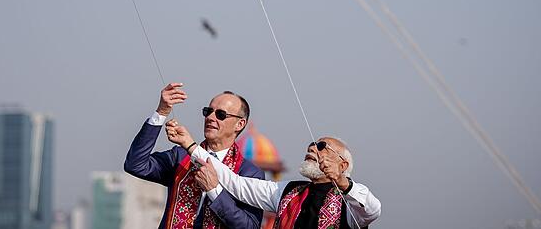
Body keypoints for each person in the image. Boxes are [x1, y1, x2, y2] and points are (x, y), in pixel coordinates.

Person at [165, 122, 381, 228]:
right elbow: (235, 183)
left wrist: (342, 181)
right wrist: (190, 145)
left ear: (343, 164)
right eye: (311, 145)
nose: (312, 149)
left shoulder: (352, 202)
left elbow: (372, 210)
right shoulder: (288, 191)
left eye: (322, 146)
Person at [124, 83, 265, 229]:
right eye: (208, 111)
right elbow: (135, 164)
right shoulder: (181, 157)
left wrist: (214, 190)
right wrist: (162, 112)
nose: (210, 117)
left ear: (239, 124)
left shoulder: (250, 173)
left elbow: (249, 227)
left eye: (220, 115)